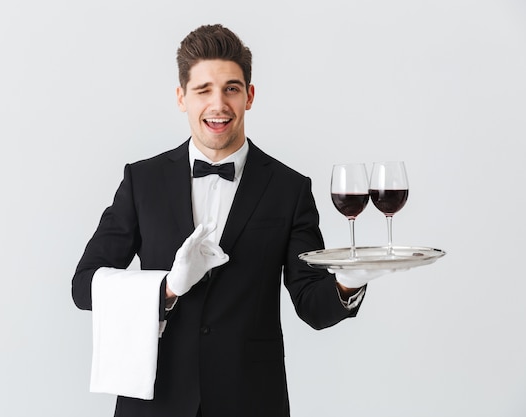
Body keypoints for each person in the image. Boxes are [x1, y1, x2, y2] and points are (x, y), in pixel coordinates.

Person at [72, 23, 387, 417]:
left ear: (249, 96)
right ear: (181, 97)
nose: (218, 104)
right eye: (203, 90)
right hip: (155, 402)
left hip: (251, 401)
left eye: (231, 89)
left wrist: (350, 281)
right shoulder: (142, 181)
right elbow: (84, 286)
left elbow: (311, 304)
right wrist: (167, 287)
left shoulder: (289, 189)